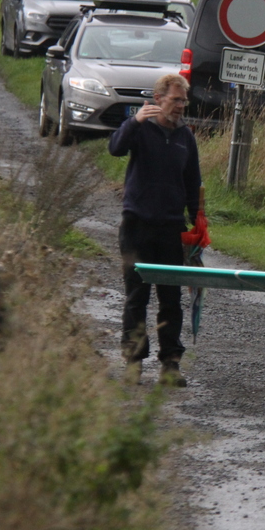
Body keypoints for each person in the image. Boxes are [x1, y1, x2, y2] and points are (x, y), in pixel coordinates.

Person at [109, 73, 201, 387]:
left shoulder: (185, 137)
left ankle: (170, 365)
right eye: (176, 100)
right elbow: (115, 148)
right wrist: (133, 121)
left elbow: (192, 181)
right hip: (136, 225)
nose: (181, 106)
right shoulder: (141, 129)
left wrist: (196, 222)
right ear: (158, 98)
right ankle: (133, 363)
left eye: (183, 101)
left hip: (170, 229)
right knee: (137, 298)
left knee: (171, 300)